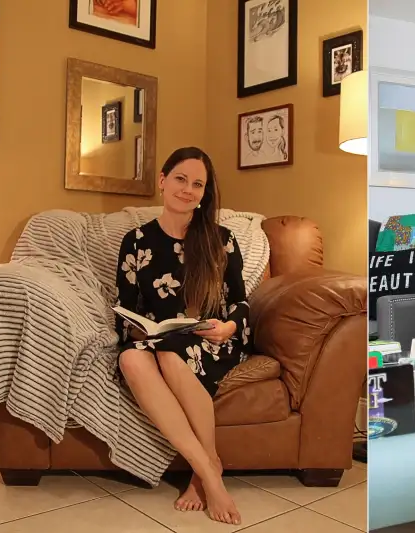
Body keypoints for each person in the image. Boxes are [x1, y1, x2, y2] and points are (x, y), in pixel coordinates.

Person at [114, 146, 250, 525]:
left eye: (197, 184)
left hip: (213, 338)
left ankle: (203, 473)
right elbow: (126, 309)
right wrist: (140, 330)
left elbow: (240, 301)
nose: (188, 190)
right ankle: (210, 466)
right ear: (162, 181)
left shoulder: (221, 239)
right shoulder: (136, 241)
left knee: (172, 355)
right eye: (180, 179)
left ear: (204, 193)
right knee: (129, 357)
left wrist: (228, 327)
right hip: (159, 339)